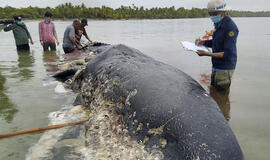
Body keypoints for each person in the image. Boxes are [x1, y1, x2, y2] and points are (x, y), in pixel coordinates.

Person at [195, 0, 239, 121]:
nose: (212, 17)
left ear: (223, 12)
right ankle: (217, 118)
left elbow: (227, 53)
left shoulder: (230, 28)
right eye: (210, 14)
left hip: (225, 68)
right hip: (216, 65)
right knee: (214, 92)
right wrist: (203, 42)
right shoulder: (219, 24)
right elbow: (216, 42)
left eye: (214, 14)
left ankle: (225, 120)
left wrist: (207, 54)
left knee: (223, 97)